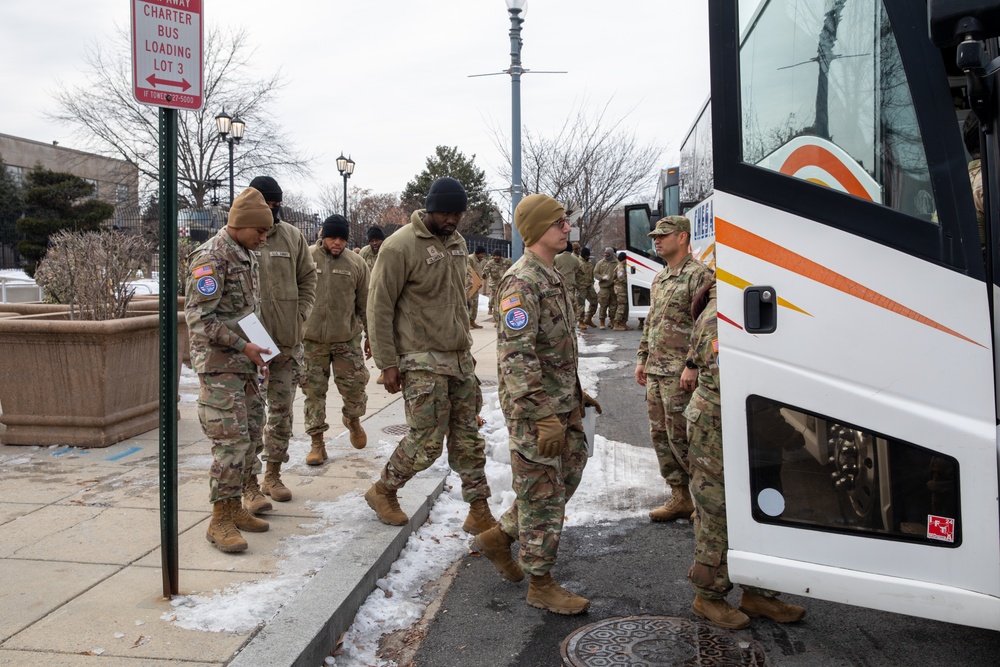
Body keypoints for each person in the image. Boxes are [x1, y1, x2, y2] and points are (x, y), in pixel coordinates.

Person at [475, 192, 602, 615]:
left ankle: (500, 537)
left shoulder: (551, 275)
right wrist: (543, 414)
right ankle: (541, 582)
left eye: (566, 221)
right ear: (535, 231)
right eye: (558, 223)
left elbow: (555, 348)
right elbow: (518, 357)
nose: (567, 228)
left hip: (561, 404)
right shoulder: (521, 282)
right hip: (536, 413)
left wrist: (575, 391)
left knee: (566, 476)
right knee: (543, 493)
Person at [365, 177, 496, 536]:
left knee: (468, 439)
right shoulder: (398, 247)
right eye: (446, 212)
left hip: (458, 358)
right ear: (430, 208)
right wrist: (387, 363)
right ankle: (383, 490)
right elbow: (378, 307)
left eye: (458, 213)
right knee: (425, 443)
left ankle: (479, 509)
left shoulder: (457, 243)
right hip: (421, 359)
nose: (453, 219)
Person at [685, 280, 807, 628]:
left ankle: (759, 593)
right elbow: (734, 387)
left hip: (751, 425)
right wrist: (785, 433)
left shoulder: (739, 306)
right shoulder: (718, 318)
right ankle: (708, 596)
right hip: (717, 428)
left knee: (765, 502)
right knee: (718, 511)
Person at [185, 187, 275, 553]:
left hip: (245, 365)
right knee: (230, 443)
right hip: (220, 368)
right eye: (261, 231)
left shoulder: (244, 253)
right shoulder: (210, 258)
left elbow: (243, 313)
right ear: (241, 225)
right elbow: (198, 318)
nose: (265, 238)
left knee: (252, 435)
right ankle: (218, 519)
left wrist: (260, 353)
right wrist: (244, 346)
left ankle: (236, 507)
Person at [635, 216, 714, 521]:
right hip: (657, 371)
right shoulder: (661, 278)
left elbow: (706, 327)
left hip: (681, 373)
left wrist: (693, 364)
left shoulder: (699, 276)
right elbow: (652, 322)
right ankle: (680, 497)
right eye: (655, 235)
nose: (657, 240)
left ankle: (706, 502)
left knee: (686, 438)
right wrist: (642, 358)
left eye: (663, 235)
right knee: (661, 437)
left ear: (682, 237)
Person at [246, 175, 317, 509]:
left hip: (287, 343)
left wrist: (300, 316)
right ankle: (248, 484)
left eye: (276, 206)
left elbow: (307, 278)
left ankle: (272, 475)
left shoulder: (292, 236)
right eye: (267, 206)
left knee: (281, 413)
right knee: (248, 417)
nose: (272, 213)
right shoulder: (242, 238)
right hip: (249, 347)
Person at [301, 214, 371, 464]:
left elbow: (365, 304)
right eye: (332, 237)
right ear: (323, 236)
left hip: (346, 339)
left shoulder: (357, 263)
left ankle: (352, 418)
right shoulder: (307, 257)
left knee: (355, 390)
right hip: (311, 341)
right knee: (313, 393)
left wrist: (370, 336)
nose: (337, 243)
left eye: (342, 238)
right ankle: (317, 443)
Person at [482, 249, 511, 324]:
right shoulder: (490, 263)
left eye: (497, 256)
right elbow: (485, 272)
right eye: (494, 256)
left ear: (500, 256)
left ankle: (501, 319)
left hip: (504, 284)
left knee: (503, 301)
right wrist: (484, 275)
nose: (495, 257)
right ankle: (496, 319)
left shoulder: (506, 262)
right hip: (494, 285)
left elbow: (512, 270)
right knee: (494, 301)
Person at [553, 241, 580, 322]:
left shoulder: (556, 257)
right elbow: (577, 270)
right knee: (571, 301)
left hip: (558, 282)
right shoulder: (575, 259)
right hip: (570, 282)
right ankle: (572, 318)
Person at [594, 247, 617, 330]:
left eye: (608, 254)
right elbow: (595, 273)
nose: (606, 256)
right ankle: (602, 321)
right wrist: (601, 277)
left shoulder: (616, 263)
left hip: (613, 287)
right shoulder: (600, 263)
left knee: (613, 305)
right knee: (603, 305)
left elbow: (621, 272)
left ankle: (612, 320)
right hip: (604, 287)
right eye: (605, 254)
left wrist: (618, 277)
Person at [576, 246, 598, 330]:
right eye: (586, 256)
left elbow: (592, 273)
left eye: (588, 256)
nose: (588, 257)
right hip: (581, 287)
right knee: (581, 304)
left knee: (594, 301)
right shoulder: (577, 262)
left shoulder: (589, 262)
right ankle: (580, 322)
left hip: (589, 285)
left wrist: (592, 281)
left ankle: (588, 318)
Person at [467, 245, 487, 329]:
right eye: (481, 254)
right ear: (477, 253)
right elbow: (469, 271)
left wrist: (482, 275)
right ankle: (467, 322)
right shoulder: (470, 258)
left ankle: (472, 321)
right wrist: (475, 281)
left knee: (475, 303)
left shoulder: (479, 260)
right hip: (470, 284)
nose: (482, 256)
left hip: (476, 285)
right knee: (469, 303)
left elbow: (478, 270)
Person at [611, 251, 631, 330]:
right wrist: (630, 281)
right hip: (621, 289)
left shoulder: (621, 266)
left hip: (622, 289)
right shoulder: (620, 268)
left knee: (625, 306)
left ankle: (623, 323)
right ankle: (617, 324)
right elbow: (621, 278)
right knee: (621, 306)